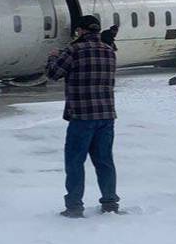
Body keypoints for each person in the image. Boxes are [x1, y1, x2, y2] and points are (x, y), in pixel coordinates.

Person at [45, 15, 120, 218]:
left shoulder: (74, 50)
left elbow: (53, 74)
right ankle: (110, 203)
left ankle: (74, 206)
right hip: (106, 115)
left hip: (82, 116)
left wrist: (53, 57)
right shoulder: (109, 51)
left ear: (81, 30)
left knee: (75, 162)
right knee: (104, 161)